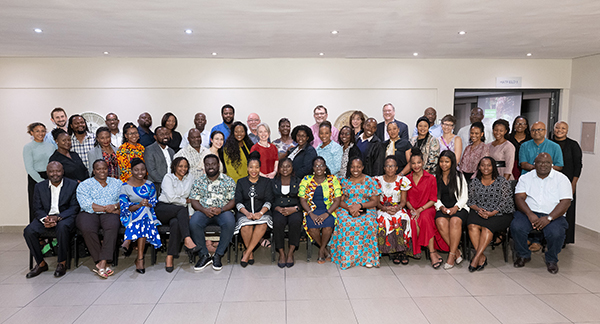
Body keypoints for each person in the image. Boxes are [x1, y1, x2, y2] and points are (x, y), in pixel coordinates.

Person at [511, 153, 571, 274]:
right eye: (540, 162)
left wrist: (549, 218)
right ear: (534, 164)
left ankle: (552, 259)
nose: (543, 165)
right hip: (528, 212)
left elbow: (565, 202)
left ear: (552, 164)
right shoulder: (526, 178)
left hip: (553, 215)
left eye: (547, 162)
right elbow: (519, 198)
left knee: (556, 232)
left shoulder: (562, 179)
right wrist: (530, 214)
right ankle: (523, 255)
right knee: (516, 226)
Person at [24, 161, 79, 278]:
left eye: (58, 171)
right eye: (51, 171)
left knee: (62, 227)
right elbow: (37, 208)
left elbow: (74, 207)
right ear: (47, 172)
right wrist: (45, 219)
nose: (55, 174)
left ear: (63, 171)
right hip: (46, 217)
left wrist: (58, 217)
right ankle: (41, 263)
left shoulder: (72, 185)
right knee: (29, 231)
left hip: (64, 217)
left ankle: (62, 263)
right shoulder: (39, 186)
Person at [189, 154, 237, 271]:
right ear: (204, 166)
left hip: (223, 211)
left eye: (213, 164)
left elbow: (233, 200)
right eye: (208, 164)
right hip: (203, 211)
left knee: (230, 222)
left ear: (218, 165)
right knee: (194, 222)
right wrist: (203, 210)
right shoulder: (199, 181)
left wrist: (221, 209)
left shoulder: (228, 180)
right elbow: (194, 200)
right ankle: (204, 255)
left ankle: (218, 255)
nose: (211, 167)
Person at [466, 156, 514, 272]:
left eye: (489, 165)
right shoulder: (474, 182)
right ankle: (482, 257)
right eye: (483, 165)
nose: (485, 168)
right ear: (479, 167)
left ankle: (476, 257)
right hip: (479, 211)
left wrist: (493, 213)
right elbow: (470, 201)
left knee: (487, 228)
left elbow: (507, 201)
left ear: (493, 167)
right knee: (472, 225)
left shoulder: (501, 181)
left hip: (500, 213)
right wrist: (478, 209)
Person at [332, 157, 381, 269]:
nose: (355, 169)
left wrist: (359, 206)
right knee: (345, 222)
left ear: (363, 167)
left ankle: (368, 258)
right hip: (346, 207)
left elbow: (375, 201)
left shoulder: (370, 181)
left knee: (369, 222)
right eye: (353, 167)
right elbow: (340, 200)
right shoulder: (343, 181)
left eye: (358, 167)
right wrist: (350, 209)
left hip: (366, 206)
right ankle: (347, 258)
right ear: (349, 168)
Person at [75, 160, 121, 279]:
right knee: (87, 228)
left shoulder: (117, 183)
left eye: (104, 168)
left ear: (108, 169)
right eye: (98, 169)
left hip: (111, 213)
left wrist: (115, 206)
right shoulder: (85, 185)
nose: (102, 171)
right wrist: (107, 208)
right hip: (90, 212)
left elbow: (124, 199)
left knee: (112, 226)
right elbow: (86, 204)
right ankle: (100, 262)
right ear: (93, 170)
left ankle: (102, 263)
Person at [405, 148, 447, 268]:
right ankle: (419, 250)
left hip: (427, 208)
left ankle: (432, 252)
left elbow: (433, 199)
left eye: (418, 162)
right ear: (410, 164)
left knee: (424, 218)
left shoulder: (430, 178)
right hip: (411, 208)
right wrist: (413, 209)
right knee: (412, 220)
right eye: (413, 163)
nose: (416, 165)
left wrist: (420, 210)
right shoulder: (406, 179)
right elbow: (405, 199)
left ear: (423, 162)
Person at [119, 158, 162, 274]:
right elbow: (124, 207)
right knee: (143, 213)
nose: (140, 172)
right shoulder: (125, 186)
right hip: (130, 215)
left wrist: (146, 204)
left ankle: (128, 240)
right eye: (136, 170)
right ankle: (140, 259)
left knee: (145, 211)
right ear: (131, 170)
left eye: (143, 169)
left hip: (147, 214)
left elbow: (154, 202)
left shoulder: (150, 185)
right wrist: (138, 205)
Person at [155, 157, 197, 272]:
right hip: (163, 208)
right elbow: (171, 197)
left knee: (176, 223)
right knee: (181, 209)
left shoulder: (190, 178)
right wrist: (185, 201)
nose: (183, 169)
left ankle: (170, 257)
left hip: (178, 213)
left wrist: (191, 213)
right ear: (174, 166)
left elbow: (192, 197)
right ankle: (187, 239)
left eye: (185, 166)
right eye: (180, 166)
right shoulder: (168, 177)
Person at [234, 152, 274, 267]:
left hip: (262, 212)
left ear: (260, 168)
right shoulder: (241, 182)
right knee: (246, 225)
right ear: (247, 168)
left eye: (256, 167)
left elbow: (269, 200)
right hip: (244, 212)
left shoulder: (266, 182)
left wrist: (260, 213)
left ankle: (246, 253)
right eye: (251, 167)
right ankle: (250, 253)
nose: (254, 170)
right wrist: (246, 213)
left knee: (262, 224)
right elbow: (238, 202)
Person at [299, 156, 342, 264]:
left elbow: (337, 200)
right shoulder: (306, 179)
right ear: (313, 168)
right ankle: (324, 250)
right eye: (316, 165)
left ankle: (321, 250)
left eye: (321, 165)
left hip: (328, 210)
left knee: (328, 225)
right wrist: (311, 214)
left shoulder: (333, 179)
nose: (319, 168)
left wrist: (327, 214)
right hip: (311, 210)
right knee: (312, 227)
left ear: (325, 167)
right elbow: (302, 199)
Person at [434, 150, 469, 269]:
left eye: (447, 162)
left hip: (459, 207)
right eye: (442, 161)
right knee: (440, 221)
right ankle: (457, 251)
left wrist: (456, 207)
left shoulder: (459, 175)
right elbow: (434, 196)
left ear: (452, 162)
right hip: (442, 207)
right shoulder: (435, 176)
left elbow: (464, 196)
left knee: (455, 221)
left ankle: (451, 255)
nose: (444, 164)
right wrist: (441, 207)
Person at [374, 156, 412, 265]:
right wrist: (385, 208)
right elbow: (376, 202)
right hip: (382, 207)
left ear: (396, 168)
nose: (390, 168)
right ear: (384, 168)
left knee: (403, 218)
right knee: (383, 219)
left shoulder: (402, 180)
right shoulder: (377, 180)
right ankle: (387, 250)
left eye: (393, 166)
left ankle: (401, 251)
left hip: (398, 207)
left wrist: (397, 208)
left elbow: (403, 201)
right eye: (388, 166)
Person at [551, 121, 583, 244]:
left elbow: (578, 165)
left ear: (567, 130)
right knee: (550, 207)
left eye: (563, 128)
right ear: (553, 129)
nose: (560, 130)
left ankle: (564, 239)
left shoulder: (573, 145)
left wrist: (573, 183)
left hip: (568, 182)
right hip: (550, 181)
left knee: (567, 209)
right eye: (557, 127)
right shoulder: (548, 143)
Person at [271, 158, 303, 268]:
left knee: (296, 221)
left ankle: (290, 252)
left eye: (288, 166)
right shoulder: (273, 181)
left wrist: (296, 208)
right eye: (282, 166)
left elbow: (304, 199)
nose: (285, 169)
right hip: (278, 209)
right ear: (279, 168)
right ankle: (281, 253)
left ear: (292, 168)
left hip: (295, 209)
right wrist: (277, 208)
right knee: (278, 222)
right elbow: (269, 199)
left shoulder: (298, 181)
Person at [23, 122, 54, 222]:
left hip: (51, 177)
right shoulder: (28, 147)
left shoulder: (51, 146)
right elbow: (29, 168)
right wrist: (41, 182)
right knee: (36, 205)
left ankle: (50, 233)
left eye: (43, 131)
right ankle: (36, 233)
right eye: (37, 131)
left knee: (50, 204)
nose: (40, 133)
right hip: (35, 178)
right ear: (31, 133)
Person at [144, 126, 175, 193]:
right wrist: (165, 183)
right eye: (161, 134)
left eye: (167, 134)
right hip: (156, 186)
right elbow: (151, 170)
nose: (165, 136)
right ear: (155, 137)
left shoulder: (171, 151)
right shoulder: (149, 150)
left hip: (172, 186)